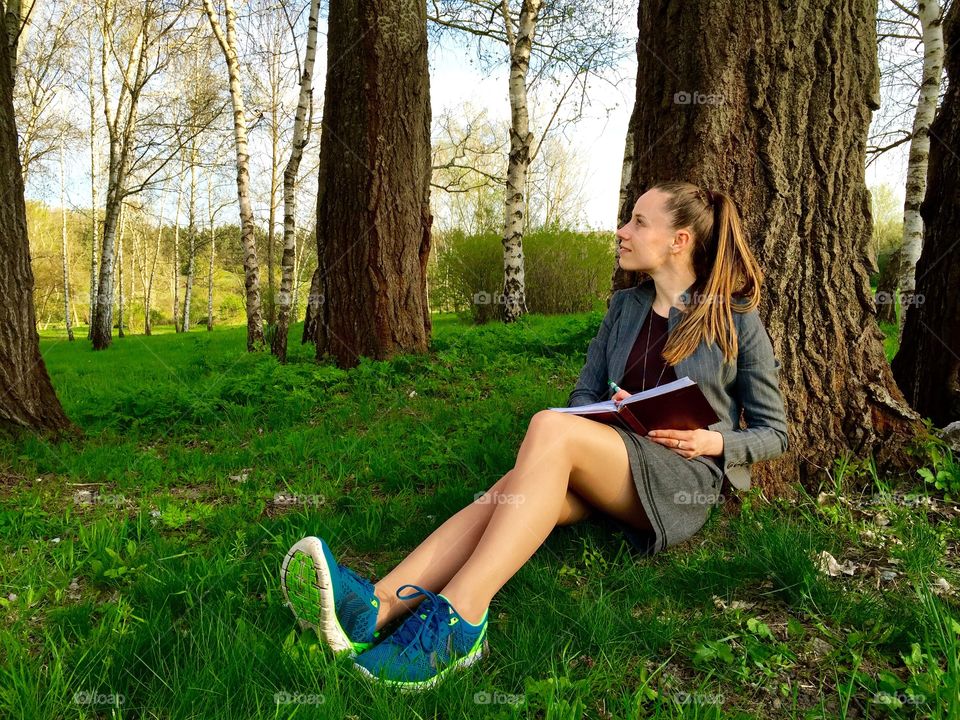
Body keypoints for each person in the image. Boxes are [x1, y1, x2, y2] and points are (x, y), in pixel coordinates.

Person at [280, 181, 789, 691]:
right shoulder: (625, 307)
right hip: (613, 462)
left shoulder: (735, 319)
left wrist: (715, 443)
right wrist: (608, 410)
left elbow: (776, 432)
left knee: (548, 428)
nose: (622, 231)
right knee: (509, 491)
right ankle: (378, 606)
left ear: (679, 240)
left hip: (682, 478)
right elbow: (583, 393)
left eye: (638, 222)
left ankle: (462, 616)